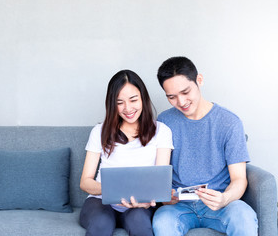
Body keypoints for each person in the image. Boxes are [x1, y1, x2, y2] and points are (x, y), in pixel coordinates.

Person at [152, 56, 258, 236]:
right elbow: (158, 173)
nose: (181, 102)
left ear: (199, 80)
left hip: (220, 205)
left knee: (244, 216)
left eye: (186, 92)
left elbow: (239, 179)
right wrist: (164, 196)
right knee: (162, 222)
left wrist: (224, 198)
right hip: (177, 207)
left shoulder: (229, 122)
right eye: (172, 97)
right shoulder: (164, 122)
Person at [79, 69, 174, 236]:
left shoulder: (162, 131)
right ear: (112, 104)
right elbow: (85, 182)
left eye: (133, 100)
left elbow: (159, 183)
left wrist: (145, 201)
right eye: (120, 102)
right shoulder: (99, 132)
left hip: (139, 205)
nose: (128, 108)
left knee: (139, 224)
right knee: (102, 223)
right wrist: (113, 190)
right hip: (100, 202)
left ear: (143, 98)